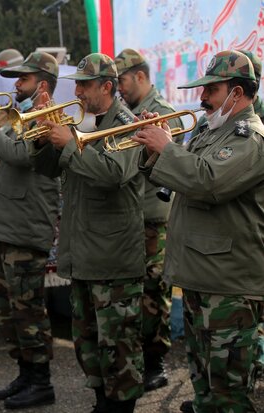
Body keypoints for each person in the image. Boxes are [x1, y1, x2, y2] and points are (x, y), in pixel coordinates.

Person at [132, 49, 264, 413]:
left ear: (237, 93)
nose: (202, 98)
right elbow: (180, 178)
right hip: (200, 278)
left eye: (212, 90)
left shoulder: (249, 139)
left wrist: (167, 147)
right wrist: (153, 146)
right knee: (204, 384)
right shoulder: (211, 133)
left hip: (228, 287)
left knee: (228, 393)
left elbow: (208, 181)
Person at [30, 53, 145, 413]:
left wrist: (69, 143)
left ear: (107, 87)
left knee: (118, 345)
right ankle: (101, 401)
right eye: (76, 83)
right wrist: (43, 135)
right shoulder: (83, 121)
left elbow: (113, 173)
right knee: (88, 342)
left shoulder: (126, 123)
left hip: (112, 257)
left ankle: (121, 406)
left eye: (84, 84)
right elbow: (47, 169)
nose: (76, 91)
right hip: (83, 252)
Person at [0, 51, 61, 410]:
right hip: (7, 224)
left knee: (29, 311)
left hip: (25, 227)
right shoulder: (19, 116)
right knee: (8, 311)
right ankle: (25, 373)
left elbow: (20, 155)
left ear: (43, 83)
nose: (16, 85)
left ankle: (41, 381)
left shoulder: (48, 117)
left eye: (23, 79)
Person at [114, 48, 184, 392]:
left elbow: (169, 158)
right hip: (130, 217)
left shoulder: (163, 114)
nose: (119, 88)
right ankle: (138, 360)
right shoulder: (126, 113)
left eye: (122, 80)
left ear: (140, 76)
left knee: (154, 292)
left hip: (153, 219)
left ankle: (156, 362)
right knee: (133, 293)